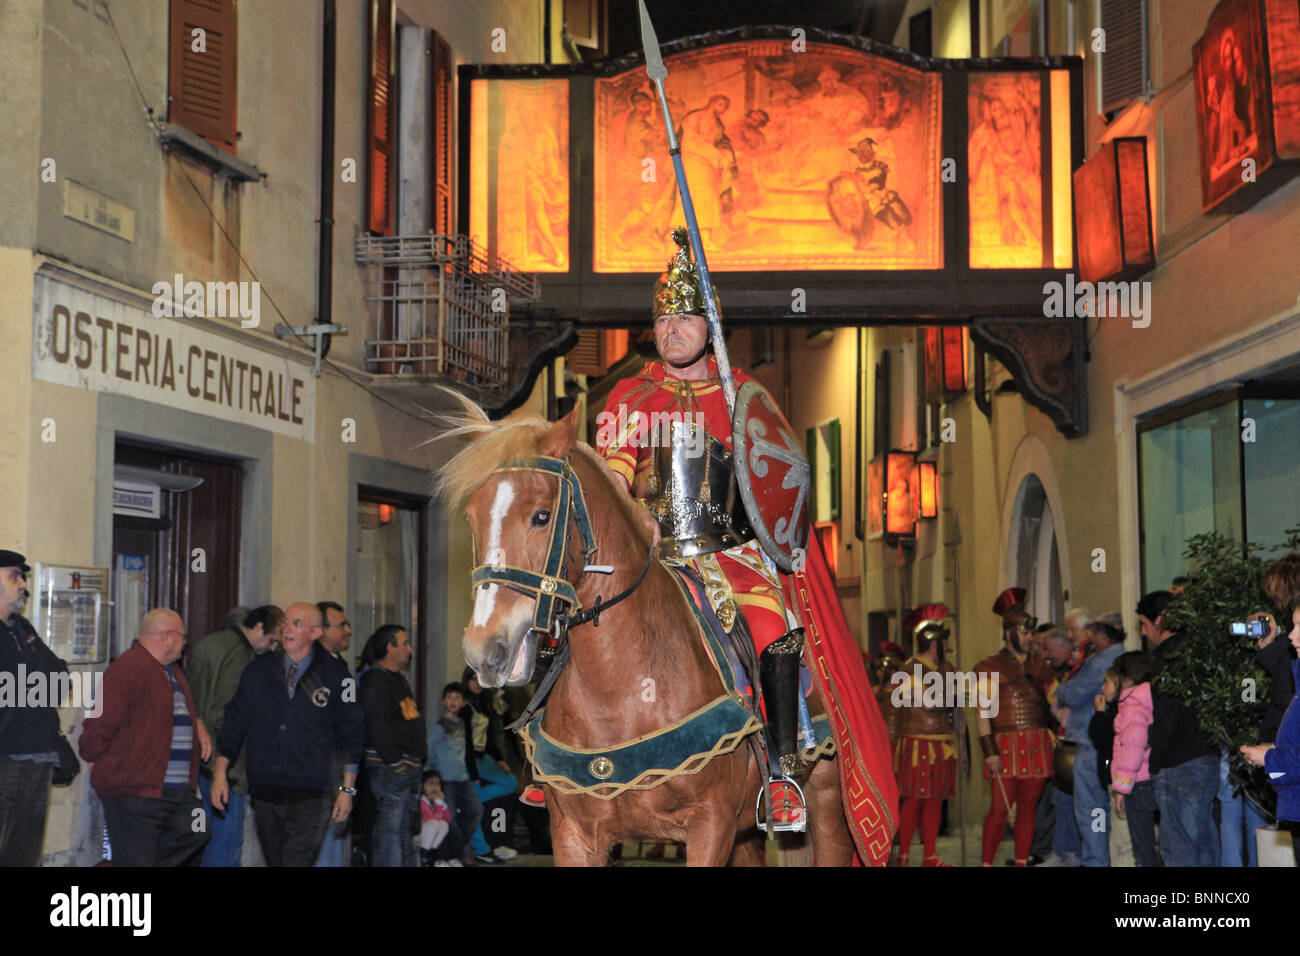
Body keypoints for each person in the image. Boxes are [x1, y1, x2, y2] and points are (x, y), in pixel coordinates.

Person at [594, 227, 898, 839]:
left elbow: (778, 486)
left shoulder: (744, 399)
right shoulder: (632, 395)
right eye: (662, 320)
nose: (670, 330)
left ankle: (784, 773)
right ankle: (559, 761)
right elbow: (611, 480)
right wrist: (634, 518)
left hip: (730, 554)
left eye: (684, 318)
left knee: (774, 628)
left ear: (711, 328)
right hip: (656, 558)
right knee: (582, 615)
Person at [211, 602, 362, 866]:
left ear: (315, 633)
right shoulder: (258, 671)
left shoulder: (339, 676)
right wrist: (220, 773)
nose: (287, 629)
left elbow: (351, 733)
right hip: (266, 790)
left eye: (297, 623)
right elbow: (235, 721)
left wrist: (347, 790)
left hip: (312, 793)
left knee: (296, 861)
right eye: (286, 623)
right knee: (277, 861)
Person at [79, 608, 212, 866]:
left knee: (198, 829)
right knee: (136, 858)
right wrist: (95, 758)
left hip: (177, 789)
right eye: (183, 637)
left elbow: (169, 715)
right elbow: (99, 723)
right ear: (167, 636)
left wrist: (197, 724)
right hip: (136, 789)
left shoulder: (171, 672)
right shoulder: (127, 668)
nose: (185, 644)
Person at [188, 604, 284, 866]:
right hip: (228, 764)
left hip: (204, 760)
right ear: (258, 627)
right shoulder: (242, 657)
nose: (274, 648)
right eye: (273, 640)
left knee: (210, 840)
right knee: (226, 845)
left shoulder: (211, 643)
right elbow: (227, 714)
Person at [974, 587, 1055, 866]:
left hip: (1037, 743)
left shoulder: (1040, 665)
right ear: (1009, 633)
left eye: (1031, 633)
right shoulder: (989, 667)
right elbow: (982, 713)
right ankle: (986, 863)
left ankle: (1021, 861)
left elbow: (1053, 703)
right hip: (1005, 744)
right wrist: (989, 751)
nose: (1030, 638)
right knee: (999, 809)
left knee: (1028, 809)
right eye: (1024, 632)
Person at [1140, 589, 1219, 866]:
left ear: (1159, 621)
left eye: (1144, 623)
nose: (1143, 631)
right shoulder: (1199, 650)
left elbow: (1166, 716)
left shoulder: (1167, 660)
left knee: (1179, 849)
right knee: (1202, 843)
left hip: (1178, 764)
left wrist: (1155, 761)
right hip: (1205, 756)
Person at [0, 551, 69, 866]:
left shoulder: (21, 628)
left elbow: (60, 680)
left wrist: (24, 681)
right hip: (6, 756)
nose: (23, 584)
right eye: (15, 576)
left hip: (38, 755)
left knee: (24, 854)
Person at [1053, 613, 1126, 866]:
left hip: (1091, 742)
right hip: (1113, 743)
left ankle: (1096, 861)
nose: (1089, 639)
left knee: (1091, 808)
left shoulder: (1100, 662)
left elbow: (1069, 694)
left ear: (1103, 636)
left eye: (1093, 634)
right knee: (1112, 812)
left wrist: (1061, 686)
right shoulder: (1125, 656)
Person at [890, 604, 959, 867]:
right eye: (945, 638)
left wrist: (962, 747)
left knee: (936, 800)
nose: (949, 643)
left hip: (943, 742)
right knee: (915, 799)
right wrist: (954, 694)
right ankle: (904, 856)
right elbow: (929, 703)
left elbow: (956, 712)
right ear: (934, 642)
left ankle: (930, 855)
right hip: (917, 742)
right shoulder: (909, 670)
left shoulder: (948, 668)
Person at [1242, 555, 1300, 862]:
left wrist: (1271, 755)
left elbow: (1286, 687)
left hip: (1287, 757)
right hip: (1283, 758)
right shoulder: (1288, 639)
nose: (1292, 637)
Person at [359, 625, 426, 867]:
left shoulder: (396, 679)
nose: (409, 649)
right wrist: (395, 762)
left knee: (404, 828)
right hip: (391, 768)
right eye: (404, 643)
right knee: (390, 828)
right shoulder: (375, 680)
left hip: (407, 765)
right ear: (390, 647)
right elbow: (378, 724)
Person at [461, 667, 520, 861]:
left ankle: (477, 799)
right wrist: (473, 773)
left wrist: (500, 759)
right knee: (475, 806)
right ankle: (482, 848)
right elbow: (466, 742)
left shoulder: (485, 703)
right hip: (466, 758)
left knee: (510, 783)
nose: (476, 684)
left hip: (482, 756)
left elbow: (488, 738)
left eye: (479, 679)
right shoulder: (464, 706)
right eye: (472, 680)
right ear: (466, 682)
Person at [1107, 650, 1158, 866]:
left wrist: (1121, 789)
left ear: (1126, 678)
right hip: (1143, 780)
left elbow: (1132, 749)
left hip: (1138, 783)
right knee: (1146, 842)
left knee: (1142, 845)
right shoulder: (1142, 703)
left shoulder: (1133, 708)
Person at [314, 599, 354, 867]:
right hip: (316, 772)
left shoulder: (340, 667)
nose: (348, 630)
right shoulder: (310, 666)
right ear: (323, 630)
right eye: (342, 625)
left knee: (334, 839)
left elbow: (351, 719)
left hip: (337, 769)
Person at [426, 682, 483, 865]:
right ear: (443, 702)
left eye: (457, 697)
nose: (453, 701)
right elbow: (429, 747)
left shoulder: (461, 723)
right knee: (448, 818)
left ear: (463, 702)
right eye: (449, 697)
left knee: (476, 811)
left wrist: (471, 773)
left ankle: (455, 849)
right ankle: (450, 855)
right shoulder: (440, 725)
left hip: (462, 778)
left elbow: (465, 751)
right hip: (446, 779)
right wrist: (435, 771)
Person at [420, 770, 456, 866]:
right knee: (433, 823)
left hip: (428, 835)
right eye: (430, 783)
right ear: (422, 786)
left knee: (444, 825)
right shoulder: (421, 801)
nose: (434, 787)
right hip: (417, 837)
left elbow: (447, 819)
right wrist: (440, 804)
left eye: (437, 784)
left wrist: (442, 804)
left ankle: (429, 855)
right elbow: (431, 819)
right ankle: (423, 856)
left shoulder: (436, 801)